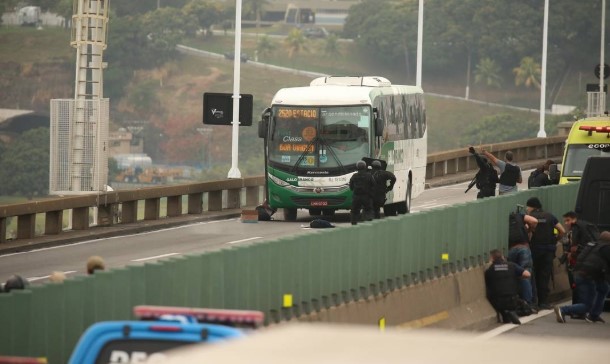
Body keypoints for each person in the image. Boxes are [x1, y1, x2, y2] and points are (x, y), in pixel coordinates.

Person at [554, 231, 610, 324]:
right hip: (587, 276)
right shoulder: (606, 248)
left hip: (582, 273)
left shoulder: (593, 245)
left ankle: (594, 315)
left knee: (604, 288)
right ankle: (563, 310)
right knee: (588, 305)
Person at [526, 197, 565, 309]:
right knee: (544, 275)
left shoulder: (531, 217)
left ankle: (534, 302)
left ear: (531, 207)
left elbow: (527, 232)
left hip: (535, 249)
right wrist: (555, 240)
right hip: (548, 250)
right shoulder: (550, 216)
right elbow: (562, 231)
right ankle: (543, 302)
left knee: (533, 274)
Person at [561, 211, 600, 310]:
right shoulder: (587, 225)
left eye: (568, 220)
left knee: (577, 285)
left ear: (574, 219)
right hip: (592, 259)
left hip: (580, 260)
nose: (566, 223)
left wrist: (570, 254)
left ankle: (577, 309)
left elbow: (574, 247)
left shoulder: (576, 227)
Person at [485, 249, 532, 324]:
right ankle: (514, 311)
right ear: (502, 257)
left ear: (491, 258)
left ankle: (506, 313)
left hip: (498, 301)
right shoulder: (511, 265)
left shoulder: (489, 271)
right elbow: (527, 274)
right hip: (513, 299)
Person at [507, 211, 538, 306]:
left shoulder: (501, 217)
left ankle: (515, 301)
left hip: (510, 249)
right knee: (525, 274)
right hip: (523, 248)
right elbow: (534, 221)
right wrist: (529, 231)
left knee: (512, 274)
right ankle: (528, 303)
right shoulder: (518, 215)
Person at [349, 160, 375, 225]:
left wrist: (354, 190)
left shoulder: (354, 176)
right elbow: (373, 184)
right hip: (366, 196)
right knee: (368, 210)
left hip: (356, 196)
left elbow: (351, 186)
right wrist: (371, 194)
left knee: (354, 211)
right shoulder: (369, 175)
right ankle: (369, 223)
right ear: (365, 167)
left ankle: (353, 223)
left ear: (357, 167)